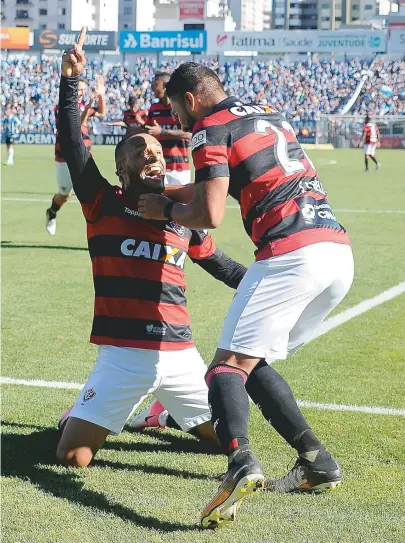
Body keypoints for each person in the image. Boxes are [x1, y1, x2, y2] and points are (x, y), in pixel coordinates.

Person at [138, 62, 354, 529]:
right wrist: (166, 187)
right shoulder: (267, 112)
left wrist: (164, 207)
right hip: (336, 252)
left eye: (176, 109)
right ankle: (316, 463)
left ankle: (239, 461)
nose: (176, 120)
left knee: (224, 368)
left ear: (190, 99)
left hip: (290, 253)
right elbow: (222, 183)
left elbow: (209, 213)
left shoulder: (208, 126)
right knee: (250, 363)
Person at [55, 33, 247, 509]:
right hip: (123, 356)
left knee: (222, 443)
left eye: (158, 153)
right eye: (140, 152)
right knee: (72, 457)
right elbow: (74, 144)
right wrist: (70, 84)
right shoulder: (103, 203)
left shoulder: (181, 215)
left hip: (181, 356)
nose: (153, 156)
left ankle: (161, 414)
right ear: (120, 169)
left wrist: (270, 282)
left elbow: (221, 265)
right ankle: (83, 414)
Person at [45, 75, 106, 236]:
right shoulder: (62, 107)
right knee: (64, 194)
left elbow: (102, 112)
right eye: (78, 89)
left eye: (83, 90)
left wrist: (101, 95)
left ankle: (99, 230)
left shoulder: (84, 105)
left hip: (84, 154)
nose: (80, 93)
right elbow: (78, 123)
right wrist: (91, 103)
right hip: (64, 155)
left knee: (92, 193)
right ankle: (51, 212)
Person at [144, 71, 191, 185]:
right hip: (158, 166)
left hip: (179, 168)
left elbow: (189, 133)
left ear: (165, 86)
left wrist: (163, 132)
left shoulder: (181, 106)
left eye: (155, 84)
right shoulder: (154, 108)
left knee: (180, 203)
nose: (152, 88)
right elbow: (148, 131)